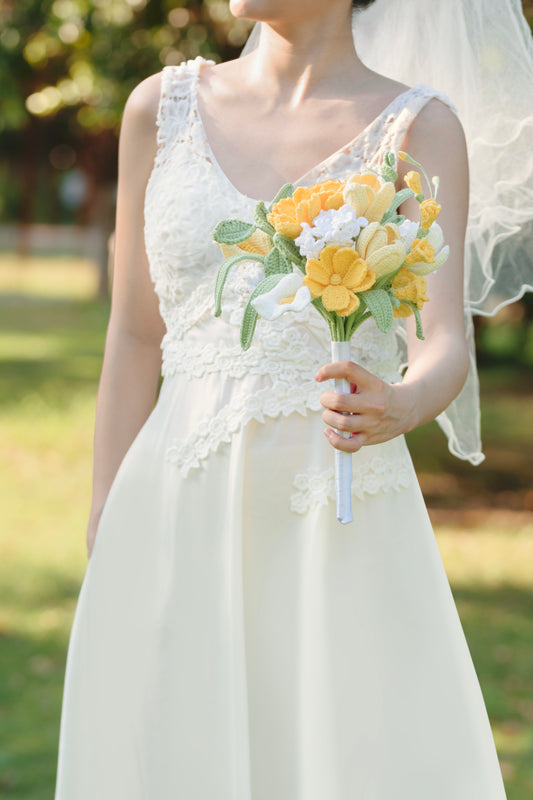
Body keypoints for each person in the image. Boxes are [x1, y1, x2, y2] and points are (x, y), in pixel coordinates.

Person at [53, 0, 532, 797]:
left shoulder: (417, 127)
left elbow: (443, 342)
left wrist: (402, 405)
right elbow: (136, 335)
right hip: (175, 502)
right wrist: (110, 516)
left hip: (331, 512)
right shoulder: (158, 109)